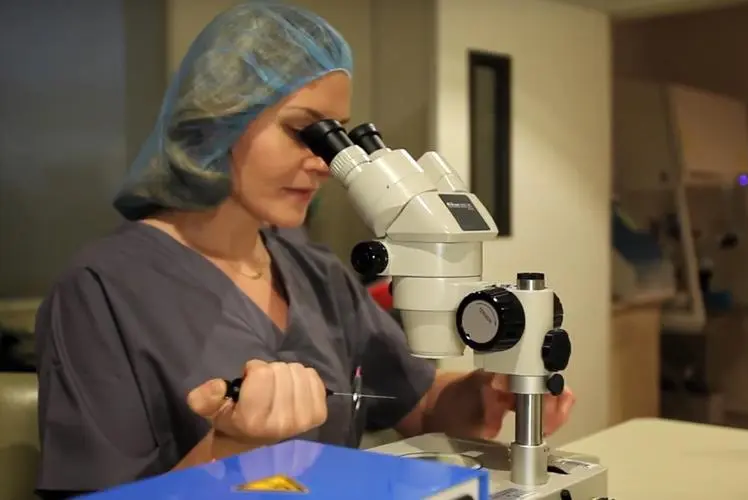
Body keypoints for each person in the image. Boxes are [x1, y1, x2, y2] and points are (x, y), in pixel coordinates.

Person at [33, 2, 576, 498]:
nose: (324, 163)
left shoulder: (315, 271)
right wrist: (232, 450)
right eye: (303, 132)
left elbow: (422, 404)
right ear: (220, 118)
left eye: (336, 137)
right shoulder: (100, 290)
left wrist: (490, 392)